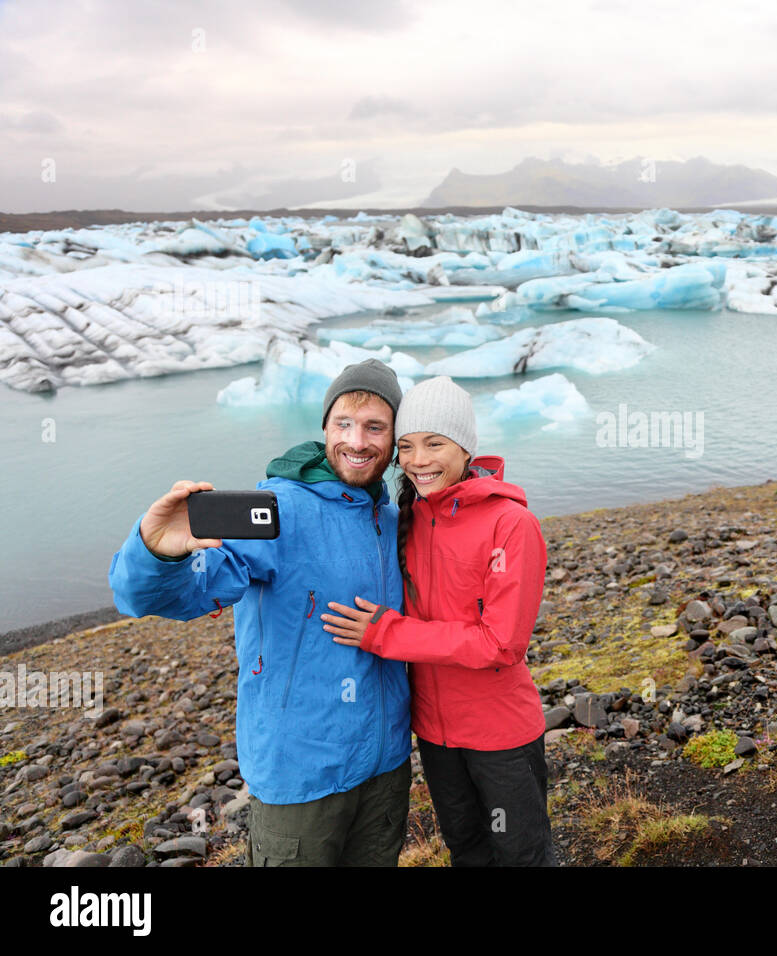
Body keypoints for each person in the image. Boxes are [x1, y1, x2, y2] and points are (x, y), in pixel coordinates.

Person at [107, 359, 413, 866]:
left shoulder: (390, 515)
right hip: (302, 776)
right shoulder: (279, 508)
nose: (357, 441)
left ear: (394, 436)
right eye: (344, 424)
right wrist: (157, 552)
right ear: (324, 427)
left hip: (385, 768)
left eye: (375, 427)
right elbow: (167, 596)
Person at [322, 375, 556, 866]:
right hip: (435, 732)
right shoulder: (411, 516)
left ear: (465, 448)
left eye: (434, 443)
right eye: (405, 446)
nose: (417, 460)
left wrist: (384, 633)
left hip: (500, 734)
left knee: (520, 855)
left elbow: (500, 644)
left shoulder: (511, 524)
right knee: (466, 848)